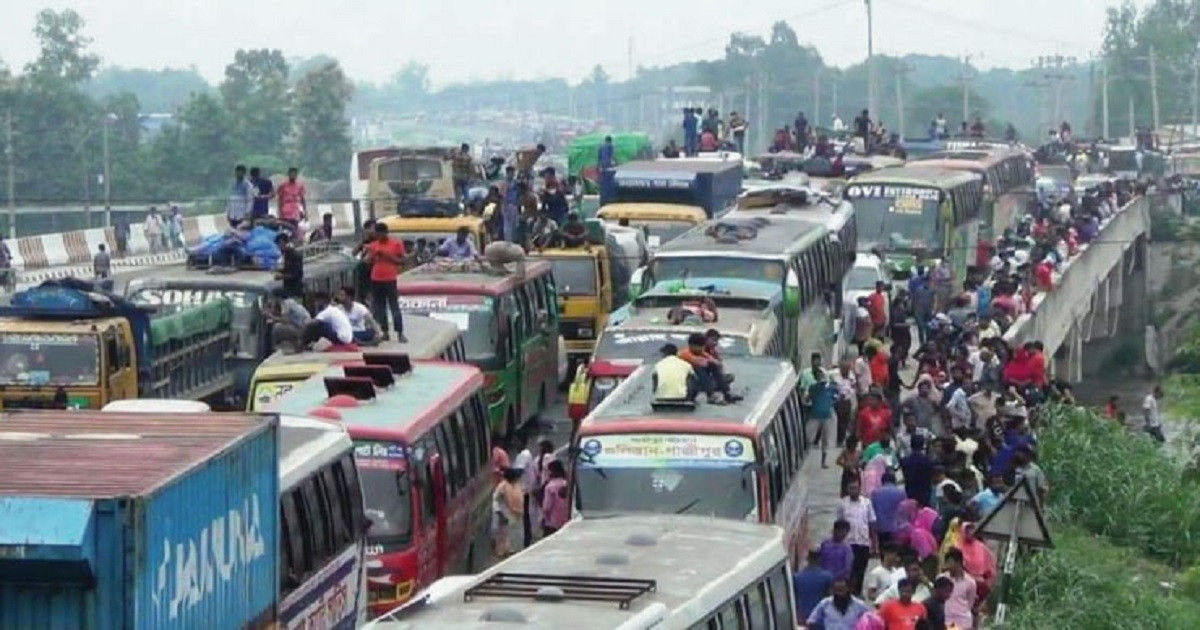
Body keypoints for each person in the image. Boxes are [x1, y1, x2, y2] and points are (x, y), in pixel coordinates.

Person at [364, 223, 406, 342]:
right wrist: (370, 256)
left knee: (394, 306)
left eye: (378, 233)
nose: (377, 236)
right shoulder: (373, 245)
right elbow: (367, 261)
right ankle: (385, 331)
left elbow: (402, 261)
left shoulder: (396, 243)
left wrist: (387, 256)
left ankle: (400, 333)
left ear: (384, 233)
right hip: (376, 278)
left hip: (390, 278)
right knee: (380, 307)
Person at [836, 480, 877, 596]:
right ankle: (848, 591)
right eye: (851, 488)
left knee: (861, 568)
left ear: (860, 489)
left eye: (855, 488)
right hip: (848, 542)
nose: (853, 490)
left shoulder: (867, 503)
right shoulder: (842, 504)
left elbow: (872, 522)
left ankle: (858, 591)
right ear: (848, 489)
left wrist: (874, 543)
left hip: (863, 542)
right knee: (850, 568)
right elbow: (839, 523)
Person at [802, 352, 838, 467]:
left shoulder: (828, 383)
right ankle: (805, 457)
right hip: (813, 412)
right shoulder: (808, 378)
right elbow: (806, 396)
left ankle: (823, 461)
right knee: (809, 436)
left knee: (825, 439)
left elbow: (835, 396)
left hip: (826, 414)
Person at [940, 548, 977, 629]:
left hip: (963, 622)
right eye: (947, 562)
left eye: (950, 562)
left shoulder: (970, 582)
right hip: (946, 621)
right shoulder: (941, 578)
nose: (948, 566)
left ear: (958, 563)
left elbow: (970, 602)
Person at [794, 550, 835, 624]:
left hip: (802, 617)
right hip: (820, 617)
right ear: (820, 559)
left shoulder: (797, 577)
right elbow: (831, 598)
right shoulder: (827, 577)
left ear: (807, 559)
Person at [491, 468, 524, 558]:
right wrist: (499, 513)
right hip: (505, 514)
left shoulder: (515, 485)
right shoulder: (502, 486)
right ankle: (503, 553)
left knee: (513, 534)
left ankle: (511, 550)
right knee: (503, 535)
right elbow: (495, 500)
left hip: (516, 513)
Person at [870, 473, 907, 549]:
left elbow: (872, 512)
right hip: (897, 528)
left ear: (882, 481)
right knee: (895, 551)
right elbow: (905, 511)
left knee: (883, 550)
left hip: (881, 528)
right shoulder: (901, 493)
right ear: (894, 481)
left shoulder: (875, 493)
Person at [900, 435, 936, 507]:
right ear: (923, 445)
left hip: (910, 494)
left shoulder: (905, 461)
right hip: (925, 494)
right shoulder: (927, 461)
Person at [540, 460, 569, 536]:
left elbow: (547, 507)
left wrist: (544, 517)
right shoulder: (567, 483)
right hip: (567, 519)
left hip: (552, 522)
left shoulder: (550, 487)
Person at [275, 232, 304, 298]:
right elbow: (288, 269)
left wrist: (282, 276)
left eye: (279, 245)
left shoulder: (295, 256)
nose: (279, 247)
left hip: (294, 291)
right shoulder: (286, 255)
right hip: (288, 288)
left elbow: (297, 274)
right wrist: (279, 271)